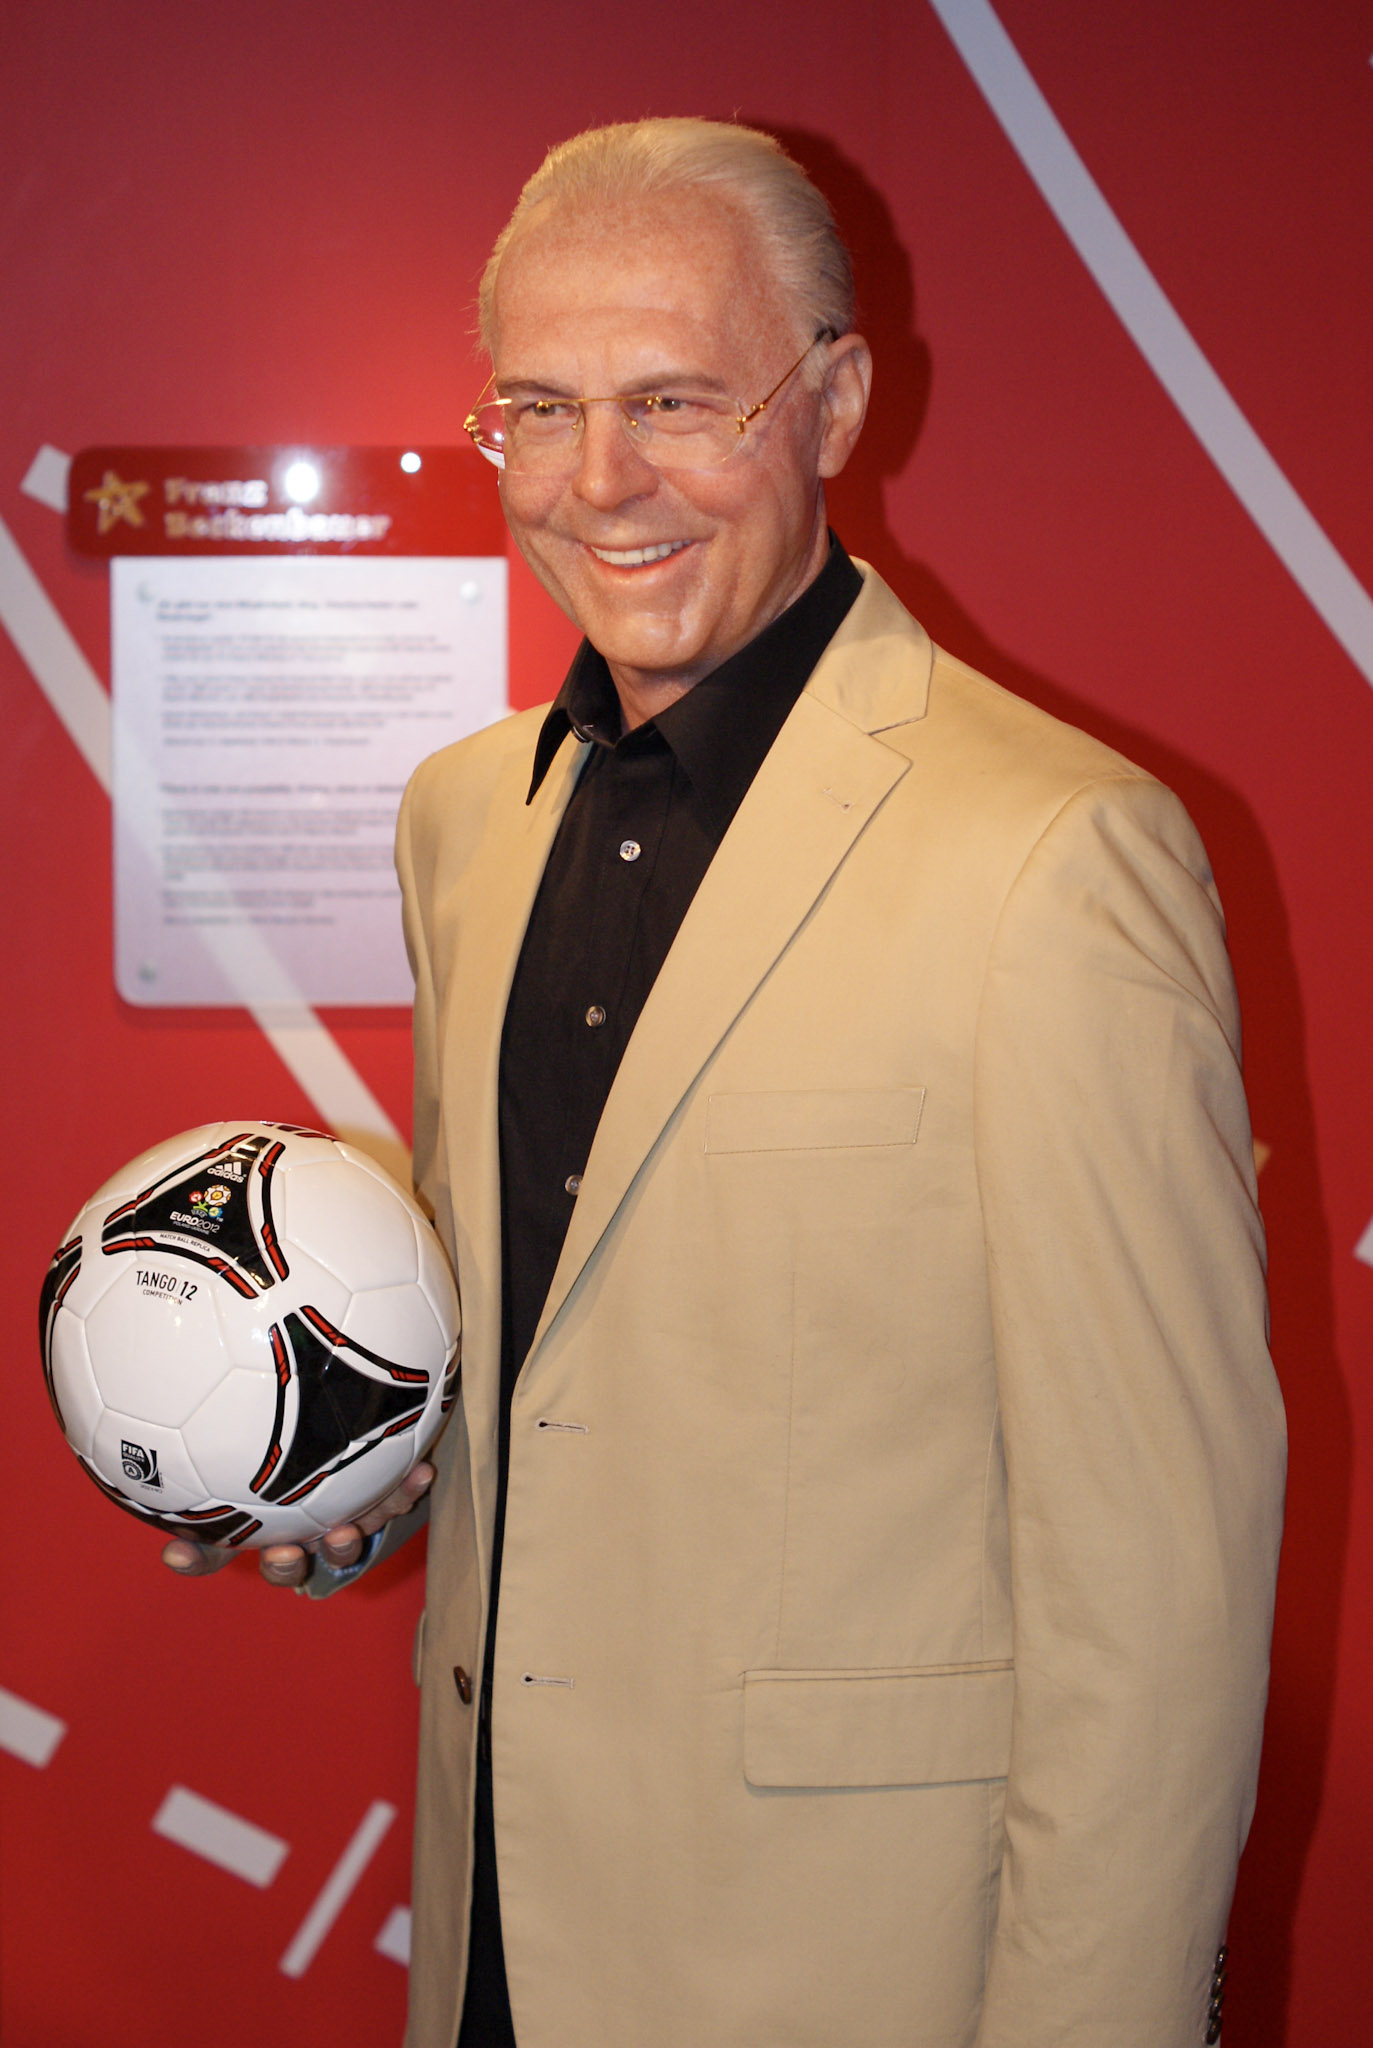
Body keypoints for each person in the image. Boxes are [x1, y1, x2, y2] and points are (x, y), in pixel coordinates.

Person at [166, 118, 1285, 2048]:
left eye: (678, 401)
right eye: (540, 409)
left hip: (846, 1974)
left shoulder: (1056, 857)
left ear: (833, 403)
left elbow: (1159, 1598)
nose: (601, 482)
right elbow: (575, 1367)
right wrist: (366, 1466)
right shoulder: (462, 821)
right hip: (496, 1940)